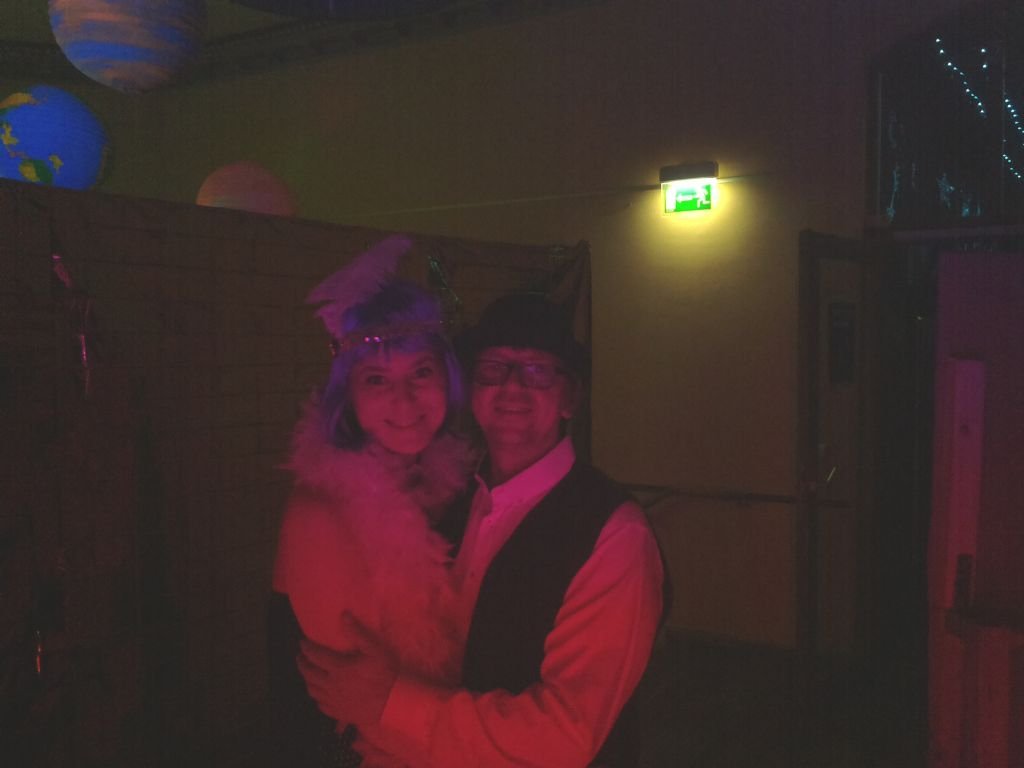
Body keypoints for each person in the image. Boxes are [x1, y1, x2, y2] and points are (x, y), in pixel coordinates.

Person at [298, 292, 667, 767]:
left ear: (570, 399)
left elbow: (565, 736)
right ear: (472, 391)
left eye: (537, 370)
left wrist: (390, 704)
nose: (512, 386)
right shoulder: (444, 499)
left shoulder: (615, 535)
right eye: (494, 369)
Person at [267, 235, 476, 766]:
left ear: (447, 377)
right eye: (377, 379)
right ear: (349, 394)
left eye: (421, 373)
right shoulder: (319, 513)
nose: (404, 400)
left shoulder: (450, 482)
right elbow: (352, 698)